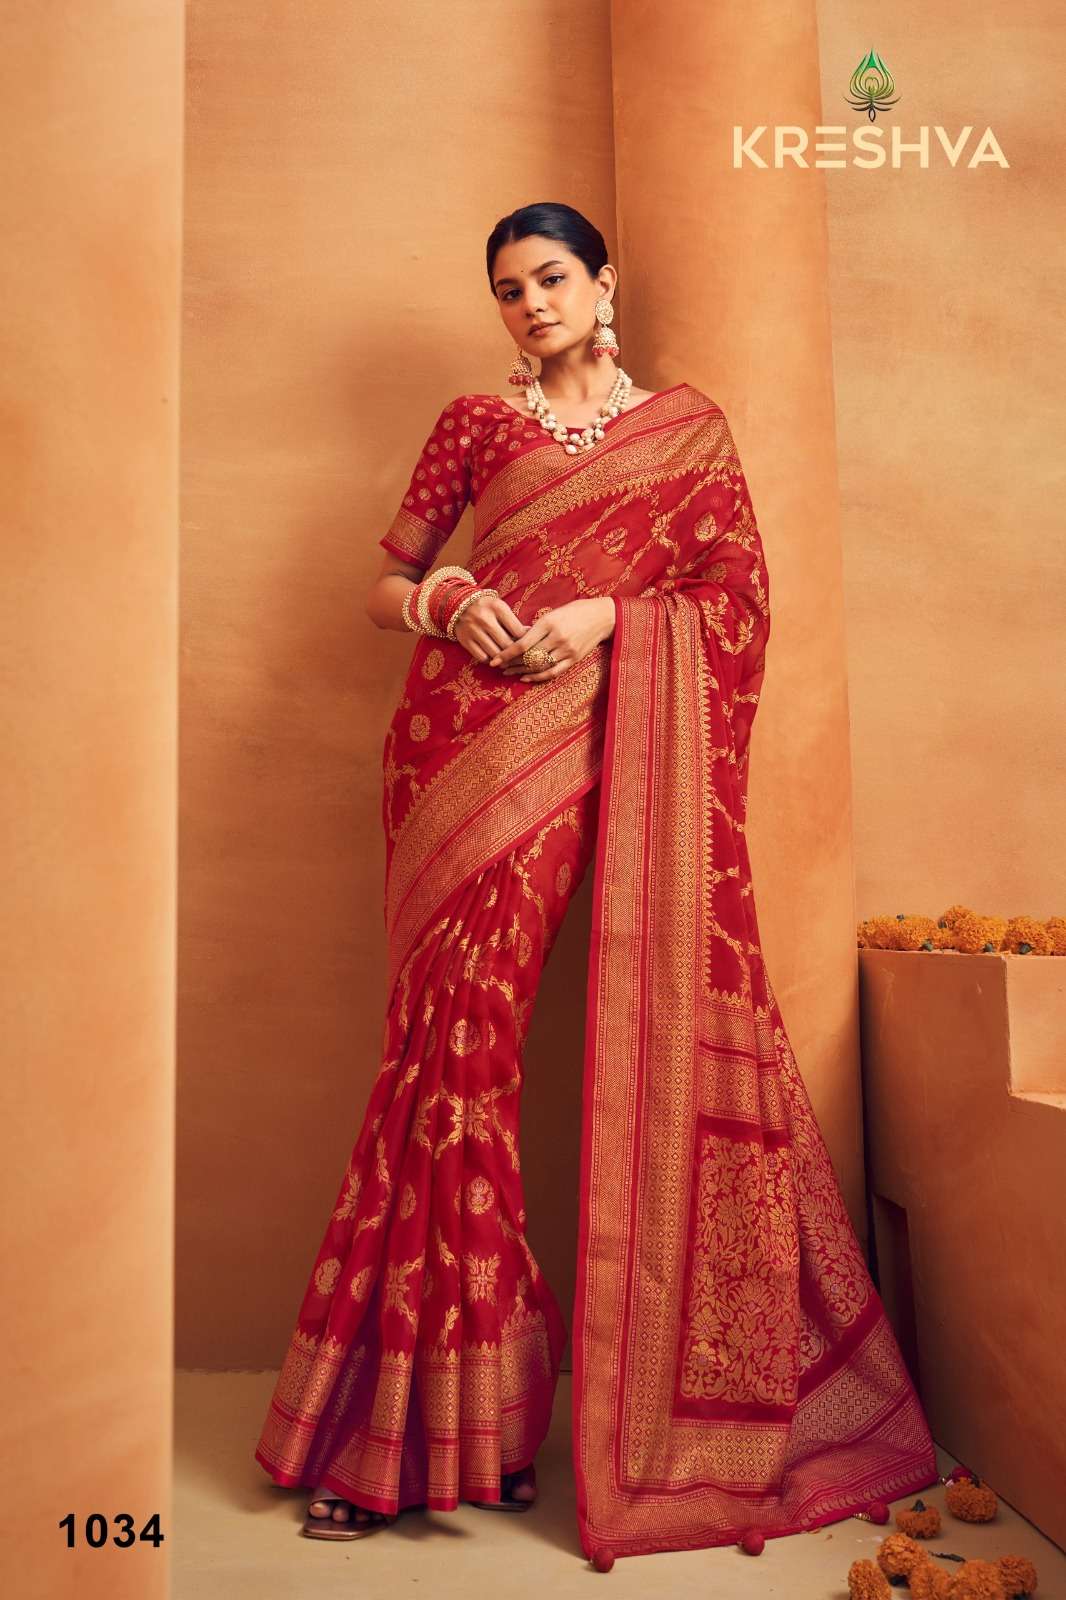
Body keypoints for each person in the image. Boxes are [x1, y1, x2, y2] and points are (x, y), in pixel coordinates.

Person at [253, 201, 938, 1559]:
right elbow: (386, 585)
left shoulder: (685, 432)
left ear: (603, 281)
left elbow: (737, 604)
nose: (531, 305)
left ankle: (449, 1426)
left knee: (474, 1063)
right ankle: (448, 1433)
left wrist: (607, 616)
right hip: (446, 757)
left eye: (551, 277)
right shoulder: (474, 422)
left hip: (576, 758)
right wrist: (446, 600)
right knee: (437, 1064)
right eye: (508, 289)